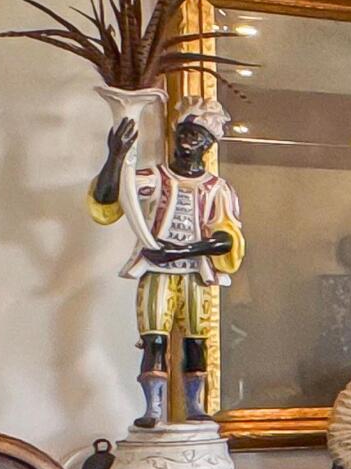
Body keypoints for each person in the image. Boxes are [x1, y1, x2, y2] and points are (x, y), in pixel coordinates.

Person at [88, 101, 244, 426]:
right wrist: (115, 158)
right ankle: (153, 408)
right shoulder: (154, 178)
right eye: (185, 133)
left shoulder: (217, 189)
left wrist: (181, 251)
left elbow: (228, 238)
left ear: (208, 145)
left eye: (197, 137)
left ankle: (194, 405)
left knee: (196, 341)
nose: (188, 141)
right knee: (154, 339)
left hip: (195, 276)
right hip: (155, 272)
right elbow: (108, 198)